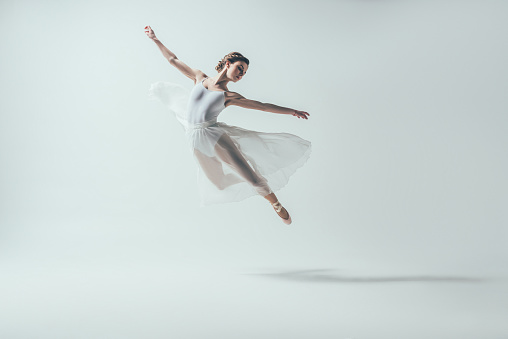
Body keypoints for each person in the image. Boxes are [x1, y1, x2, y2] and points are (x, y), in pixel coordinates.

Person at [145, 25, 311, 225]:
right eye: (240, 68)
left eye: (244, 73)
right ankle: (255, 179)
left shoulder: (229, 96)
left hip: (213, 137)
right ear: (228, 62)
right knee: (219, 183)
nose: (241, 74)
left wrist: (292, 111)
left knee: (252, 178)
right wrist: (155, 39)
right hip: (194, 138)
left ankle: (275, 203)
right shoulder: (199, 77)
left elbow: (263, 107)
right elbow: (173, 59)